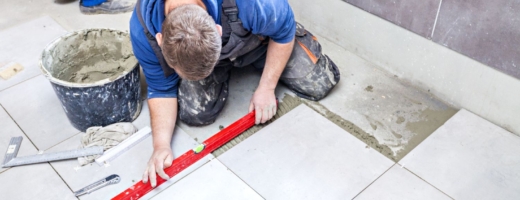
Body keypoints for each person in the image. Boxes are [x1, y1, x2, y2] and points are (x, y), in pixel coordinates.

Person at [130, 0, 340, 187]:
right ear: (160, 39)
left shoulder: (255, 4)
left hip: (260, 41)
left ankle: (264, 43)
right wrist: (161, 145)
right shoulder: (143, 28)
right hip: (218, 57)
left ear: (218, 30)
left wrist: (267, 88)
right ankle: (222, 67)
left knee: (320, 83)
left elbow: (283, 30)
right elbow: (162, 88)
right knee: (195, 113)